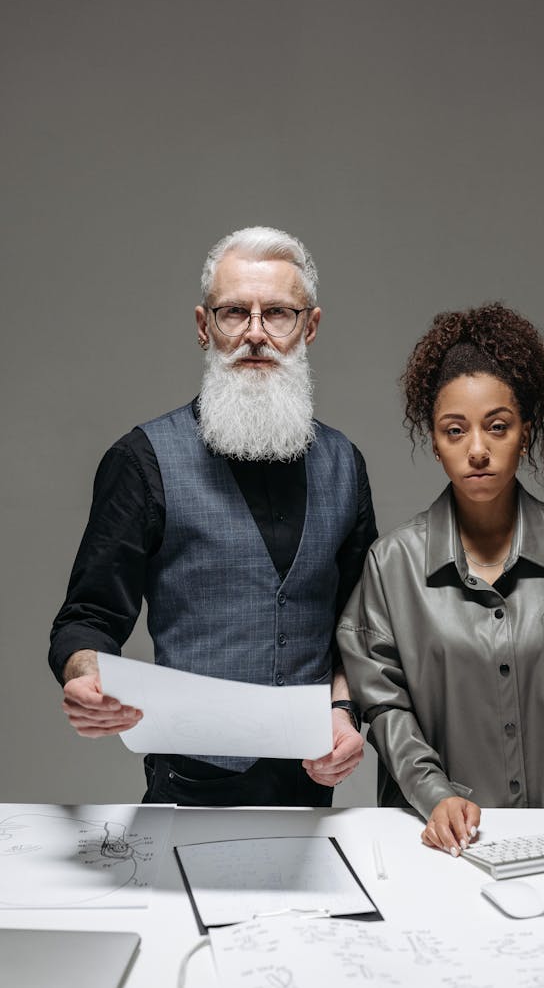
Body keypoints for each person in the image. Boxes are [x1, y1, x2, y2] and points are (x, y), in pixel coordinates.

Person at [50, 225, 377, 806]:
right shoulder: (142, 460)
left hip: (312, 784)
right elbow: (89, 616)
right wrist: (84, 677)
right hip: (187, 782)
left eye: (278, 313)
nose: (256, 334)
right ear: (205, 326)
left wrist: (344, 710)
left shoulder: (344, 465)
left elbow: (360, 624)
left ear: (310, 327)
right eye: (234, 313)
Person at [337, 302, 544, 854]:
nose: (477, 449)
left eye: (497, 427)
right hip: (435, 844)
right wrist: (434, 796)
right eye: (454, 431)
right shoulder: (392, 566)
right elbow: (383, 705)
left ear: (524, 432)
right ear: (434, 442)